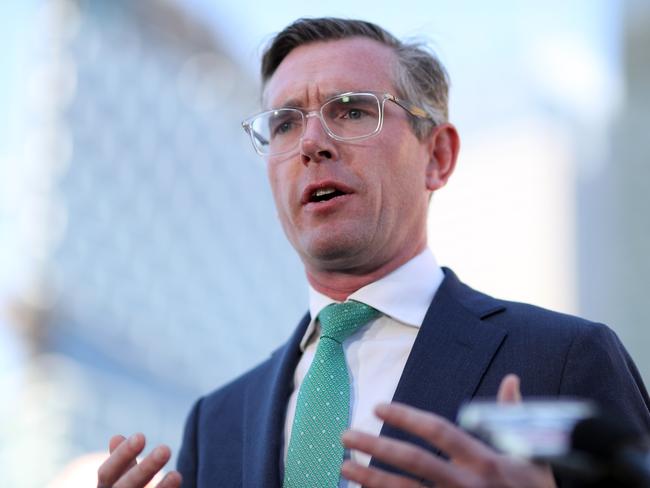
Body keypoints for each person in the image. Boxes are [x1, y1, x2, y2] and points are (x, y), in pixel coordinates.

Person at [97, 17, 650, 488]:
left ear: (437, 155)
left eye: (352, 111)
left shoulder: (561, 359)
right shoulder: (216, 422)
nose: (312, 143)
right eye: (286, 123)